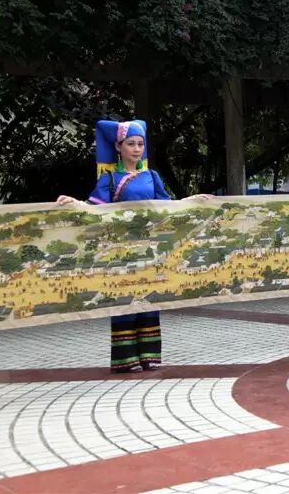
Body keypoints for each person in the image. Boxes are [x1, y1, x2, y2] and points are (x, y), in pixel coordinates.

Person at [57, 119, 210, 372]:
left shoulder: (152, 176)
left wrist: (191, 201)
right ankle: (125, 359)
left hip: (149, 249)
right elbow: (94, 210)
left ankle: (149, 355)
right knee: (124, 297)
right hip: (121, 250)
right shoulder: (109, 178)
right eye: (131, 144)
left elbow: (167, 208)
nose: (137, 149)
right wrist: (75, 203)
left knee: (148, 297)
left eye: (140, 144)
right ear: (119, 147)